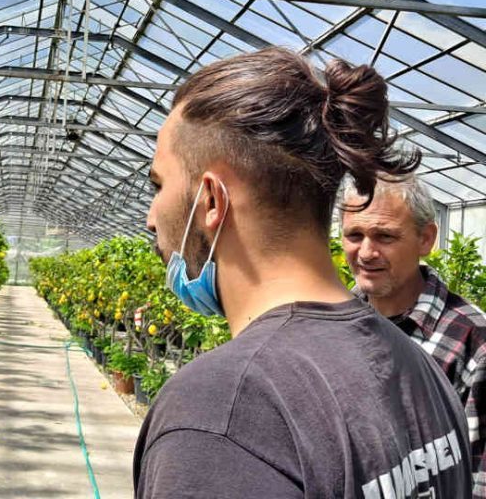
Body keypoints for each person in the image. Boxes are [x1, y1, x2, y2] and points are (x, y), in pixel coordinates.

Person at [134, 46, 472, 498]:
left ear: (212, 201)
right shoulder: (418, 368)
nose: (151, 217)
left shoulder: (225, 411)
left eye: (159, 185)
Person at [342, 175, 486, 497]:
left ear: (426, 239)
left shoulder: (472, 341)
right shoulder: (332, 324)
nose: (366, 253)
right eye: (355, 235)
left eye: (385, 236)